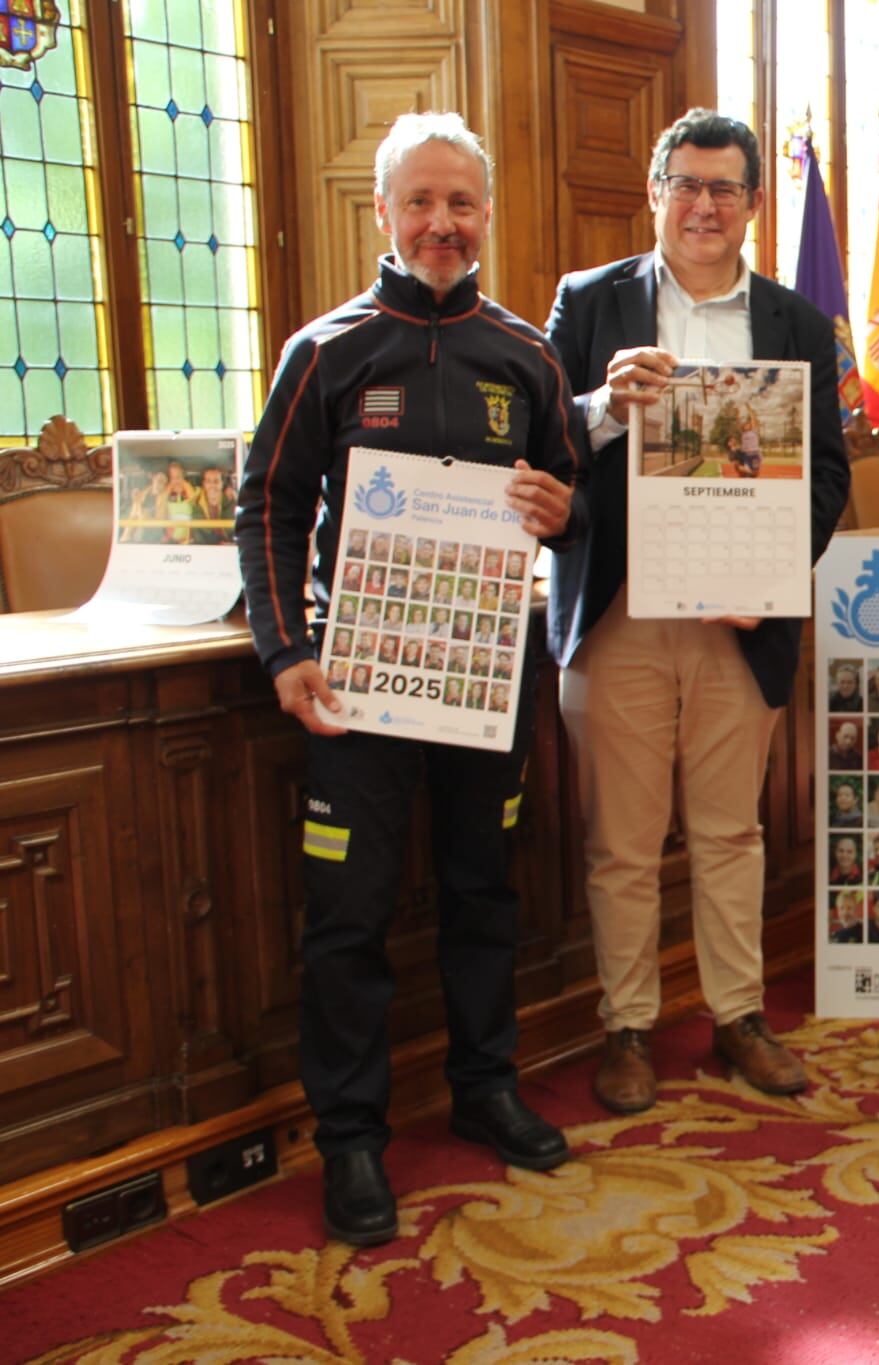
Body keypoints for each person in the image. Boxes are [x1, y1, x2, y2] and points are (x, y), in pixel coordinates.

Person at [233, 112, 586, 1248]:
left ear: (486, 215)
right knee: (349, 915)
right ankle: (350, 1139)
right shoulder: (324, 352)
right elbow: (270, 511)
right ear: (380, 212)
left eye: (462, 204)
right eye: (421, 202)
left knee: (486, 890)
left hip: (488, 680)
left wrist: (562, 511)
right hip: (359, 687)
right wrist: (286, 654)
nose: (443, 223)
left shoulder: (527, 353)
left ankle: (485, 1089)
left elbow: (574, 508)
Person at [546, 110, 850, 1113]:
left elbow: (825, 478)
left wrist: (765, 578)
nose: (703, 205)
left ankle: (736, 1017)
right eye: (685, 183)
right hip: (620, 608)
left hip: (739, 620)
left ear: (753, 206)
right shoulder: (586, 305)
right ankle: (627, 1026)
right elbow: (543, 454)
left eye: (724, 188)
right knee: (622, 842)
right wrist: (599, 407)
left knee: (730, 833)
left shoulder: (798, 324)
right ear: (653, 190)